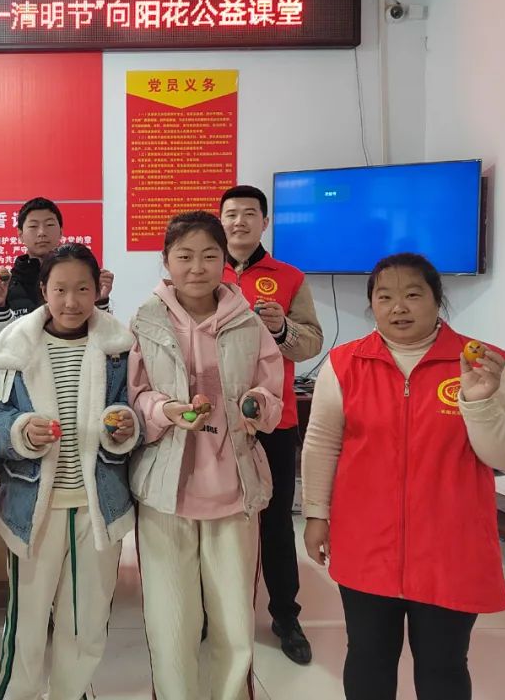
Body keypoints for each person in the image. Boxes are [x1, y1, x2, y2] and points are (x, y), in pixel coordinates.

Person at [301, 253, 505, 700]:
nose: (398, 308)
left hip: (451, 546)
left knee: (443, 666)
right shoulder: (345, 362)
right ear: (372, 304)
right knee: (368, 657)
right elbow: (322, 443)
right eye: (384, 297)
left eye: (413, 294)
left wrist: (479, 402)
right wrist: (316, 513)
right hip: (366, 542)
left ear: (437, 299)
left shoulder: (484, 363)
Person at [128, 211, 283, 700]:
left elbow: (272, 394)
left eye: (209, 256)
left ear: (224, 261)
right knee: (170, 620)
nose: (197, 267)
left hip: (234, 490)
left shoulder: (248, 322)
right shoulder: (145, 320)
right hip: (165, 491)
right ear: (166, 261)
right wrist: (166, 410)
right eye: (185, 256)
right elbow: (134, 397)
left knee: (234, 622)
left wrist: (257, 404)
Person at [0, 243, 139, 700]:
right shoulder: (17, 349)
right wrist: (19, 431)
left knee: (87, 620)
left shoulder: (118, 351)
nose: (72, 301)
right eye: (60, 289)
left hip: (99, 506)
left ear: (97, 290)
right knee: (27, 621)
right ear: (44, 290)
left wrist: (126, 425)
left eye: (83, 289)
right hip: (33, 507)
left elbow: (135, 408)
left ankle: (72, 691)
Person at [220, 184, 323, 664]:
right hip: (216, 420)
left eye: (249, 214)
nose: (239, 221)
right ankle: (218, 612)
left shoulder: (289, 277)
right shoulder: (202, 269)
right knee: (218, 518)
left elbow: (311, 343)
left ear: (265, 222)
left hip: (274, 421)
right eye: (231, 214)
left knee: (276, 520)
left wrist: (282, 328)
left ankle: (285, 614)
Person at [0, 197, 114, 353]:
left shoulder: (82, 278)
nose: (42, 233)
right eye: (33, 226)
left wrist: (101, 301)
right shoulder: (6, 287)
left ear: (61, 231)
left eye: (49, 225)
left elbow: (104, 341)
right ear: (20, 234)